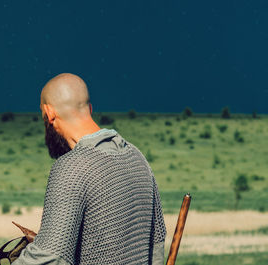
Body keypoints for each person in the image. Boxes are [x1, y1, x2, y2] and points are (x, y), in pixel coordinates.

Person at [12, 73, 166, 265]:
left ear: (49, 113)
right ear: (89, 109)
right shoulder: (137, 157)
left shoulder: (71, 168)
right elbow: (156, 245)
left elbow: (50, 257)